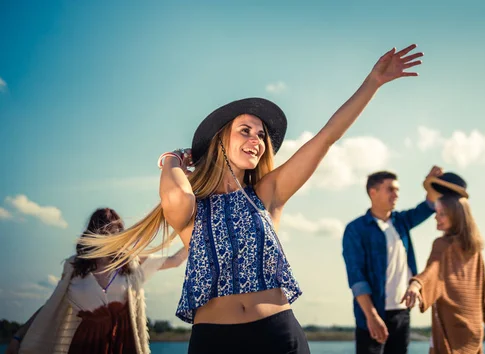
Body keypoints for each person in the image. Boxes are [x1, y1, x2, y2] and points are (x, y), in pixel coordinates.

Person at [78, 44, 424, 354]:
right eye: (245, 130)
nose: (256, 140)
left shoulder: (267, 194)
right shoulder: (193, 207)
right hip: (215, 342)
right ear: (221, 140)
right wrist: (173, 159)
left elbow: (326, 137)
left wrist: (372, 83)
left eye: (261, 135)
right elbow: (175, 192)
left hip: (279, 335)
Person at [5, 208, 188, 354]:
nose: (109, 237)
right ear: (93, 234)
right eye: (104, 231)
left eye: (114, 232)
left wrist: (194, 231)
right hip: (85, 345)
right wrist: (18, 337)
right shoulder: (74, 267)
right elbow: (51, 305)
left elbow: (175, 260)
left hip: (124, 343)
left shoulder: (132, 263)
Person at [402, 172, 485, 354]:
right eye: (437, 213)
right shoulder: (474, 249)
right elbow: (482, 287)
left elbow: (432, 271)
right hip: (473, 330)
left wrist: (415, 284)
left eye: (442, 214)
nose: (436, 217)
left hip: (451, 330)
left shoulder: (443, 245)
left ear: (456, 216)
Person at [342, 167, 442, 354]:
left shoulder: (401, 221)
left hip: (402, 312)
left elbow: (428, 206)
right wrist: (371, 316)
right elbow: (356, 277)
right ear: (373, 192)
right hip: (372, 315)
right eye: (391, 189)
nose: (396, 194)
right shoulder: (355, 229)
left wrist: (430, 184)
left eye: (397, 190)